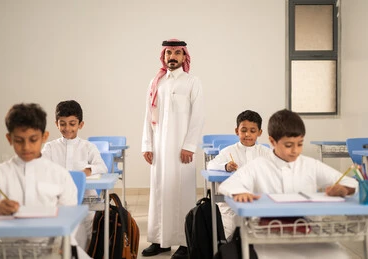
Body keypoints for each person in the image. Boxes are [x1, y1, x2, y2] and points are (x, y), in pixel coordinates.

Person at [218, 109, 358, 258]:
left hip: (308, 236)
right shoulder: (259, 165)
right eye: (288, 145)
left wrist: (344, 189)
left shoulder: (310, 165)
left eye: (300, 144)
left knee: (338, 255)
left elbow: (350, 182)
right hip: (268, 237)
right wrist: (240, 191)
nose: (295, 151)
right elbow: (228, 185)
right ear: (272, 141)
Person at [0, 103, 90, 258]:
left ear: (44, 137)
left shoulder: (59, 175)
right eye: (19, 140)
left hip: (51, 250)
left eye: (33, 139)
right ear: (9, 139)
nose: (26, 147)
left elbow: (70, 219)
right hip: (5, 250)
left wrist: (62, 246)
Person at [141, 39, 205, 259]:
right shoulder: (156, 83)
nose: (173, 56)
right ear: (163, 55)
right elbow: (149, 117)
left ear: (184, 57)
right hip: (159, 149)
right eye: (169, 52)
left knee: (182, 193)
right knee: (159, 193)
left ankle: (185, 243)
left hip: (181, 151)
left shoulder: (192, 82)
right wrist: (147, 145)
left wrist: (189, 146)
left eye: (178, 52)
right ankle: (160, 241)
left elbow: (198, 117)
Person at [42, 100, 108, 250]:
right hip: (57, 201)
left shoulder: (88, 147)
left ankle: (91, 252)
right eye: (63, 124)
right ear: (56, 124)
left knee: (91, 225)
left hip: (86, 201)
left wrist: (88, 171)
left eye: (72, 124)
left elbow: (102, 167)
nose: (67, 128)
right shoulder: (50, 148)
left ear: (80, 124)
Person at [207, 110, 272, 238]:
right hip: (231, 204)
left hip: (258, 201)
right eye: (243, 130)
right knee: (227, 232)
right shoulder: (228, 151)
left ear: (260, 133)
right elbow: (210, 165)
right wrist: (225, 166)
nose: (247, 134)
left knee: (261, 231)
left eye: (253, 131)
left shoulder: (266, 152)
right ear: (237, 131)